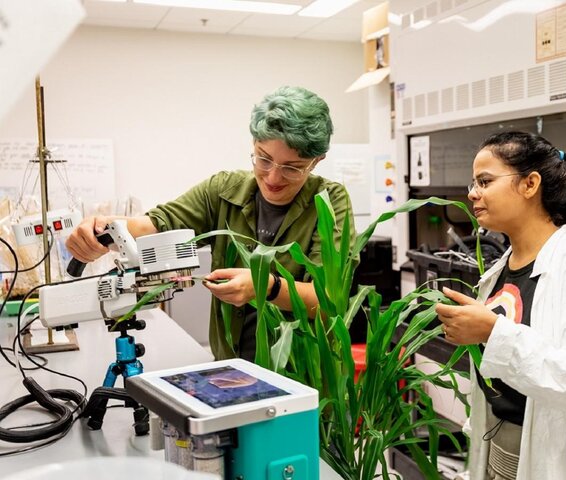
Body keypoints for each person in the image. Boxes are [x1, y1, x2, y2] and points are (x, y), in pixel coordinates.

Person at [66, 86, 355, 361]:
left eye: (292, 168)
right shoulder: (222, 190)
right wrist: (102, 229)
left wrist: (266, 287)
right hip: (231, 367)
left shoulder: (329, 202)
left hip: (303, 377)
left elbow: (328, 302)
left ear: (316, 161)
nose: (273, 178)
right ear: (253, 144)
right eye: (263, 159)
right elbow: (158, 223)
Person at [435, 131, 566, 479]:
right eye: (474, 183)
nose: (472, 193)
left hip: (565, 461)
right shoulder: (501, 269)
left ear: (530, 184)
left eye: (485, 181)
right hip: (502, 452)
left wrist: (492, 332)